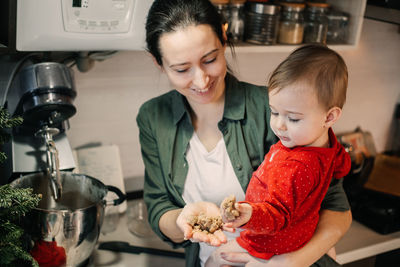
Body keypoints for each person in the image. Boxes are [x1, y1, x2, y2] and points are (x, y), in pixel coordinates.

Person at [136, 0, 352, 266]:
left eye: (210, 59)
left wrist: (287, 263)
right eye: (182, 69)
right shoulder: (153, 117)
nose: (202, 81)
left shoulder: (278, 111)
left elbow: (337, 209)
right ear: (157, 62)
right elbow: (159, 207)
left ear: (224, 38)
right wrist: (182, 219)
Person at [206, 44, 351, 267]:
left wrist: (249, 214)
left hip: (272, 242)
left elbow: (278, 215)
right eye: (274, 112)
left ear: (330, 116)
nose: (279, 126)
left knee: (213, 261)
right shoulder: (327, 141)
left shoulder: (296, 166)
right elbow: (342, 164)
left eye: (293, 118)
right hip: (300, 233)